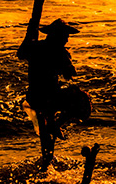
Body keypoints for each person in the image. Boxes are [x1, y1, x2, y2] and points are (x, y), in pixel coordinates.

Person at [18, 18, 91, 168]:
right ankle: (57, 125)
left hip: (34, 97)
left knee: (46, 129)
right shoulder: (60, 52)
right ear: (58, 36)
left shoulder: (35, 47)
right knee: (83, 99)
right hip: (49, 97)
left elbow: (21, 54)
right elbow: (69, 74)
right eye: (65, 36)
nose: (67, 40)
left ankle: (47, 157)